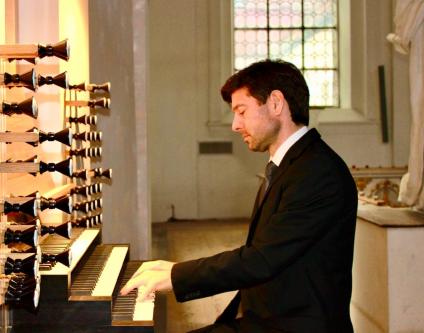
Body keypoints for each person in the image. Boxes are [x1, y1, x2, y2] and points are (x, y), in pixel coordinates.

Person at [120, 59, 358, 333]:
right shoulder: (290, 165)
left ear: (276, 103)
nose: (235, 125)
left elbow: (261, 259)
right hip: (267, 320)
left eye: (241, 111)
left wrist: (176, 274)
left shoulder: (317, 172)